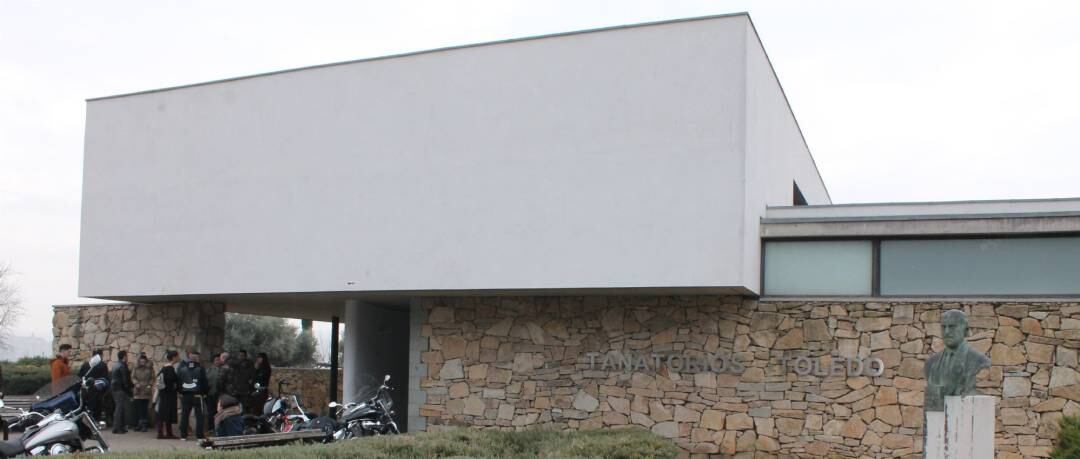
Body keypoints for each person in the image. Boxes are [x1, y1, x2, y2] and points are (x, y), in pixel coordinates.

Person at [178, 350, 208, 440]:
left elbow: (179, 381)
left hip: (185, 395)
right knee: (199, 416)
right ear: (197, 358)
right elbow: (204, 382)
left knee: (185, 415)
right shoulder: (200, 368)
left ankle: (183, 435)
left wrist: (181, 392)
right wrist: (204, 393)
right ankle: (199, 436)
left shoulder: (182, 368)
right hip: (197, 395)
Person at [156, 350, 180, 439]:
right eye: (177, 356)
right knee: (167, 413)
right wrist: (175, 387)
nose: (178, 358)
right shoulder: (170, 369)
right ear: (174, 357)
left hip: (163, 394)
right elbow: (170, 381)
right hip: (168, 395)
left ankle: (162, 432)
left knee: (163, 413)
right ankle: (166, 433)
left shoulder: (163, 368)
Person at [79, 349, 108, 423]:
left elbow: (80, 377)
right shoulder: (102, 365)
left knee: (86, 406)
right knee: (97, 407)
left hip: (85, 390)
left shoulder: (85, 364)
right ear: (100, 355)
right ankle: (95, 422)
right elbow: (105, 379)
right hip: (97, 391)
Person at [110, 350, 133, 434]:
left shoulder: (115, 365)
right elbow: (125, 380)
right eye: (127, 356)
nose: (127, 358)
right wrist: (130, 390)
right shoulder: (122, 366)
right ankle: (117, 428)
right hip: (120, 389)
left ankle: (119, 427)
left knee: (119, 408)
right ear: (124, 356)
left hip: (115, 388)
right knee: (119, 408)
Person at [131, 353, 154, 432]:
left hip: (146, 389)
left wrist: (149, 385)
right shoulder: (136, 368)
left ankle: (144, 424)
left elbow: (152, 377)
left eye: (144, 361)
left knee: (144, 408)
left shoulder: (149, 368)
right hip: (138, 390)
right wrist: (136, 383)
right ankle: (139, 424)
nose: (142, 363)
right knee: (138, 408)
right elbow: (133, 377)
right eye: (141, 361)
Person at [229, 350, 255, 414]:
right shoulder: (235, 364)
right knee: (235, 407)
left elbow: (252, 376)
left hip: (244, 390)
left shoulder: (249, 364)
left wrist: (249, 383)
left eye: (242, 355)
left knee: (244, 407)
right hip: (236, 390)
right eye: (239, 355)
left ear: (245, 356)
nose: (240, 357)